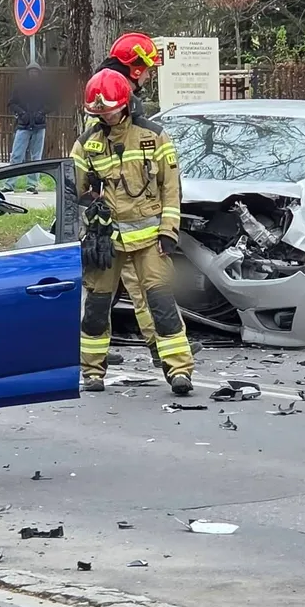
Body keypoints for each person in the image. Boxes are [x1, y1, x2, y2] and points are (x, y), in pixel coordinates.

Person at [73, 69, 194, 396]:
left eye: (108, 111)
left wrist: (169, 231)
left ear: (125, 105)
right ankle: (92, 370)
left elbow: (171, 188)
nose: (104, 117)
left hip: (150, 240)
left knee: (162, 303)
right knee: (96, 307)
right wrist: (90, 215)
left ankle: (179, 369)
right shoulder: (87, 144)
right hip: (107, 243)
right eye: (98, 113)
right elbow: (76, 192)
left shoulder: (153, 136)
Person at [90, 32, 169, 370]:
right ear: (134, 69)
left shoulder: (102, 90)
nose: (149, 75)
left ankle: (97, 350)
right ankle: (158, 348)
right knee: (138, 290)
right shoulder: (119, 100)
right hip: (120, 217)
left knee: (104, 293)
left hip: (116, 217)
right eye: (147, 68)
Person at [4, 62, 52, 194]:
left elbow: (52, 104)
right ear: (27, 74)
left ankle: (32, 185)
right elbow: (12, 103)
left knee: (36, 157)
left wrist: (41, 113)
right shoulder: (20, 88)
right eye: (31, 72)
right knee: (16, 155)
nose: (33, 75)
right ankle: (10, 184)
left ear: (39, 74)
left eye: (35, 72)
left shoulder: (44, 88)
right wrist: (21, 113)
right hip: (23, 125)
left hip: (39, 125)